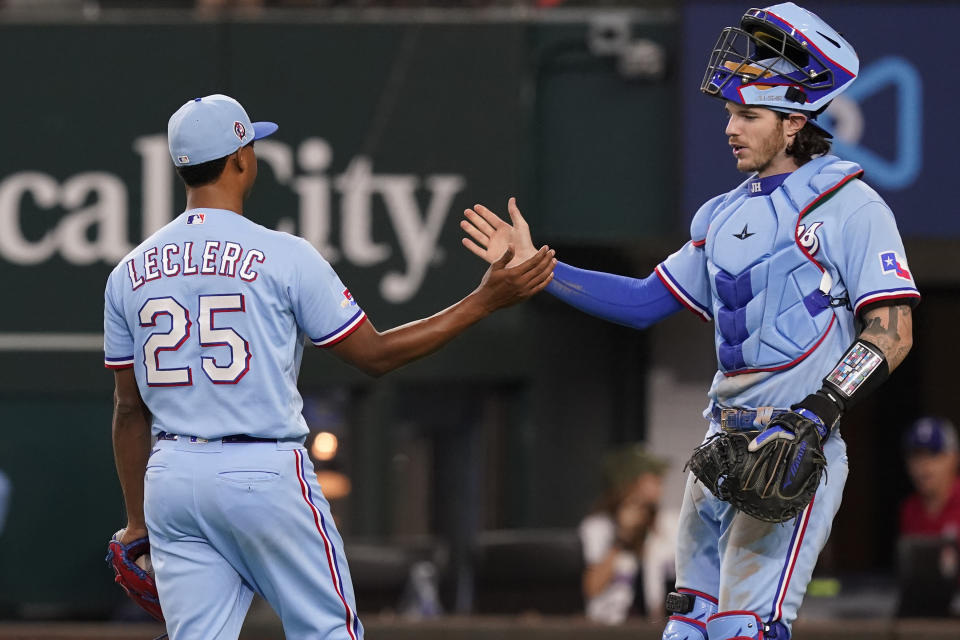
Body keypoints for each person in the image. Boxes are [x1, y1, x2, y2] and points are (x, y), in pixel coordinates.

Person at [461, 4, 918, 638]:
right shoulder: (719, 214)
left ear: (793, 124)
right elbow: (646, 301)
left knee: (744, 628)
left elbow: (892, 334)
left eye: (748, 115)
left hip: (795, 447)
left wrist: (818, 413)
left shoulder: (851, 204)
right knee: (688, 626)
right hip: (719, 447)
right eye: (730, 112)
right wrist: (541, 269)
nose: (730, 127)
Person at [103, 94, 555, 640]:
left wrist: (135, 520)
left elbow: (130, 410)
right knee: (327, 633)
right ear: (241, 158)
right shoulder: (282, 253)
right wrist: (482, 302)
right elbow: (376, 355)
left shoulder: (129, 271)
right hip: (261, 469)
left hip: (172, 475)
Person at [580, 444, 676, 624]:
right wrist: (623, 536)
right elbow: (592, 587)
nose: (659, 487)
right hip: (609, 628)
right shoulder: (599, 527)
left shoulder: (667, 525)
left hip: (654, 628)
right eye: (652, 479)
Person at [900, 417, 960, 539]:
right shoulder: (909, 510)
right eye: (916, 456)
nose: (924, 465)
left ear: (954, 458)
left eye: (933, 454)